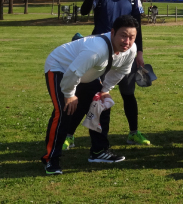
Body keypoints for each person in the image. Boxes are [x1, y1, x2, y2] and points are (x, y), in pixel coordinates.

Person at [41, 15, 139, 175]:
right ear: (112, 32)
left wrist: (105, 90)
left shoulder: (131, 50)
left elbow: (120, 72)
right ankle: (51, 159)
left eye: (131, 37)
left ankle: (99, 151)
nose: (127, 41)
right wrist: (69, 94)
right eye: (123, 35)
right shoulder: (97, 49)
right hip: (60, 67)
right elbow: (73, 72)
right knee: (63, 111)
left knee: (102, 104)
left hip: (83, 73)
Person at [74, 0, 149, 148]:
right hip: (100, 52)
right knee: (90, 94)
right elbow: (83, 12)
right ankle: (68, 134)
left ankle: (133, 132)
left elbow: (138, 27)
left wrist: (139, 52)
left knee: (128, 93)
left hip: (126, 52)